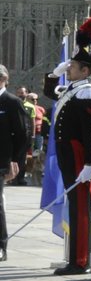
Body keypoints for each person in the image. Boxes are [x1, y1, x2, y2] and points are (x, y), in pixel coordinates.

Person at [52, 17, 91, 275]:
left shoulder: (87, 92)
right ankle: (76, 257)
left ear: (85, 71)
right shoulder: (72, 88)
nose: (69, 69)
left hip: (77, 153)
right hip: (66, 152)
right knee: (74, 203)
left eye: (72, 66)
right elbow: (53, 92)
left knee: (80, 206)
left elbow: (90, 132)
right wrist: (54, 74)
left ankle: (80, 260)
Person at [0, 65, 29, 261]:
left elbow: (22, 135)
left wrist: (14, 162)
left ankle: (1, 246)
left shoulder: (12, 102)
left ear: (4, 79)